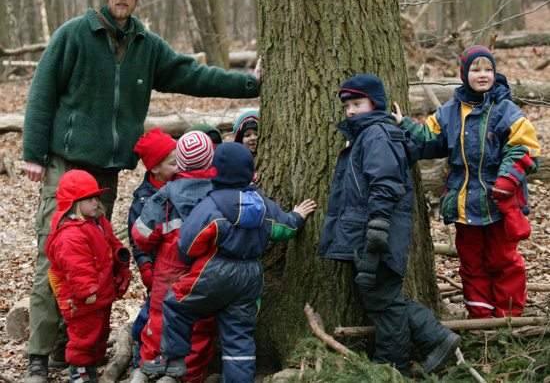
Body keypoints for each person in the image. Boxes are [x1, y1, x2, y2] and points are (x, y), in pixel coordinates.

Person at [22, 0, 261, 382]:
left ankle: (71, 351)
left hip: (106, 174)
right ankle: (40, 357)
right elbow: (42, 90)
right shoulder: (75, 35)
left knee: (93, 260)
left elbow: (190, 73)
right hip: (65, 163)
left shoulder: (145, 45)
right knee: (54, 255)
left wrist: (248, 84)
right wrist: (32, 153)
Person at [317, 74, 460, 377]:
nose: (351, 111)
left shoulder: (377, 134)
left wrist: (378, 228)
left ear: (376, 103)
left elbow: (384, 181)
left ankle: (393, 366)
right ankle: (434, 340)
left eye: (358, 103)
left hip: (378, 232)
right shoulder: (367, 135)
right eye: (347, 106)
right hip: (369, 230)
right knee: (380, 296)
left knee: (384, 299)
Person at [140, 142, 317, 383]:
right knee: (239, 332)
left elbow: (188, 244)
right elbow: (285, 229)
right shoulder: (261, 203)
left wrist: (188, 260)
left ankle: (173, 360)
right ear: (250, 172)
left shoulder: (211, 206)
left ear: (215, 172)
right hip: (251, 275)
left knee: (175, 303)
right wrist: (298, 216)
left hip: (214, 268)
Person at [393, 46, 540, 319]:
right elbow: (429, 137)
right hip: (464, 202)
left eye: (488, 69)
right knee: (471, 261)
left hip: (500, 202)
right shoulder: (451, 110)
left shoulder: (506, 109)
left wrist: (507, 179)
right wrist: (405, 125)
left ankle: (508, 315)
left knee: (503, 259)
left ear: (495, 74)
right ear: (464, 74)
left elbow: (525, 148)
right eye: (475, 69)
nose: (482, 74)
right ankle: (480, 316)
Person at [132, 131, 217, 382]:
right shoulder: (218, 190)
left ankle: (148, 369)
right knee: (198, 324)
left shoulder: (164, 195)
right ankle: (185, 376)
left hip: (168, 270)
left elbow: (141, 236)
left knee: (159, 317)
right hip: (204, 269)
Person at [45, 170, 131, 383]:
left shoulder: (99, 222)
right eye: (90, 198)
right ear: (74, 203)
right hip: (81, 299)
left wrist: (121, 263)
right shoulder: (70, 233)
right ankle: (81, 371)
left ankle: (93, 361)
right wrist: (86, 289)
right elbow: (76, 266)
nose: (96, 202)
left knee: (100, 331)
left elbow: (113, 244)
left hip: (100, 293)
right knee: (84, 335)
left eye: (96, 197)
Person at [128, 128, 178, 367]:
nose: (180, 165)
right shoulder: (143, 200)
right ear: (155, 168)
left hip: (181, 268)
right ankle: (141, 358)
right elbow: (136, 238)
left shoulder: (183, 184)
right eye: (172, 162)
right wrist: (145, 266)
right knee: (151, 316)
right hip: (158, 271)